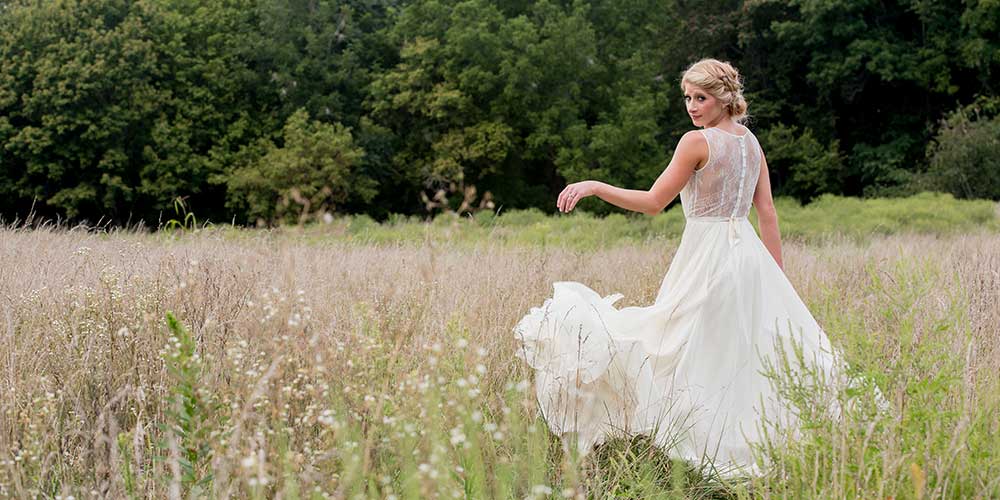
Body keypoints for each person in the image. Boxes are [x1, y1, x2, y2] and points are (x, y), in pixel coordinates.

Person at [512, 58, 847, 476]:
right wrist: (776, 278)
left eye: (701, 97)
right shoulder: (750, 143)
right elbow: (767, 215)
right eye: (688, 97)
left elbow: (654, 203)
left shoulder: (696, 142)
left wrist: (595, 186)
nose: (692, 105)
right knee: (733, 348)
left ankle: (704, 440)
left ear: (724, 98)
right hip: (747, 256)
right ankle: (756, 434)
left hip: (707, 257)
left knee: (679, 343)